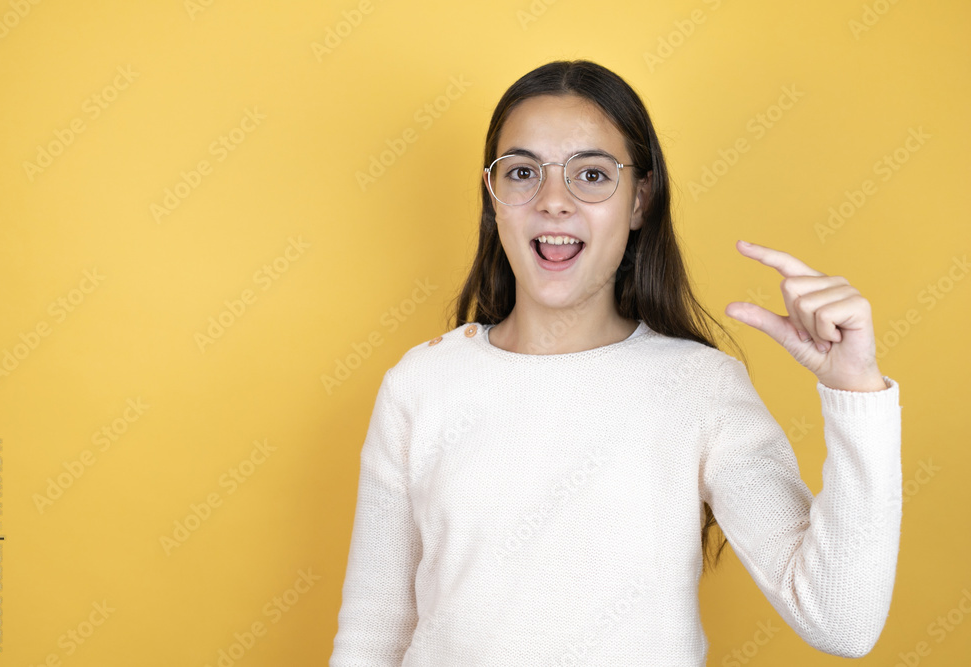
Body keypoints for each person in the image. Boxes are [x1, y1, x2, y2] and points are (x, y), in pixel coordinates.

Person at [329, 60, 901, 666]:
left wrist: (856, 392)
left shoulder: (700, 388)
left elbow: (843, 621)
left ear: (639, 200)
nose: (554, 201)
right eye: (523, 172)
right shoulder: (421, 383)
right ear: (494, 196)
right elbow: (373, 634)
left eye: (592, 174)